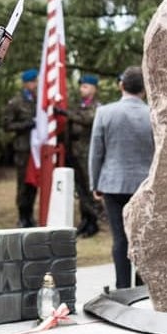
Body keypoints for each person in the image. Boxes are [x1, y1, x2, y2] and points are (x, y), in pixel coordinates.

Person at [89, 66, 154, 289]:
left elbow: (96, 152)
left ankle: (123, 288)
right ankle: (143, 287)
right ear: (144, 91)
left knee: (120, 239)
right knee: (141, 237)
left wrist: (94, 183)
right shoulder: (153, 114)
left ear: (121, 85)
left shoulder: (105, 112)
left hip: (112, 184)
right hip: (145, 185)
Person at [57, 73, 103, 237]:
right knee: (80, 189)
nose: (82, 89)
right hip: (75, 152)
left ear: (94, 89)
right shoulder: (79, 105)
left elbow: (86, 120)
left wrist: (65, 113)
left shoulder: (97, 106)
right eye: (81, 86)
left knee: (89, 188)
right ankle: (85, 220)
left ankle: (94, 221)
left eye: (85, 86)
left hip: (88, 153)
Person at [4, 68, 39, 227]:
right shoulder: (16, 102)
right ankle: (22, 215)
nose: (34, 84)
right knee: (23, 183)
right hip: (23, 148)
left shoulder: (39, 100)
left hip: (37, 148)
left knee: (33, 183)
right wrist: (26, 124)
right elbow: (7, 125)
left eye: (35, 81)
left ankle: (30, 214)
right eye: (31, 82)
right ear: (25, 84)